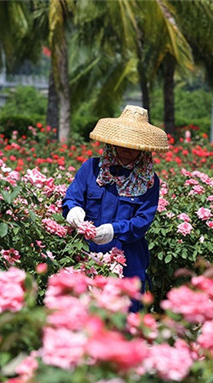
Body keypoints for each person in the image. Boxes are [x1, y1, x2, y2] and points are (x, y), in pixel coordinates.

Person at [62, 105, 168, 307]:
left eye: (134, 146)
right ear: (113, 142)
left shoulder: (149, 182)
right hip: (86, 255)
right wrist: (73, 209)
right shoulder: (92, 169)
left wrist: (115, 230)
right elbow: (72, 197)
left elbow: (143, 220)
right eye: (123, 143)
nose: (128, 150)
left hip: (128, 261)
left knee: (126, 322)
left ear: (144, 148)